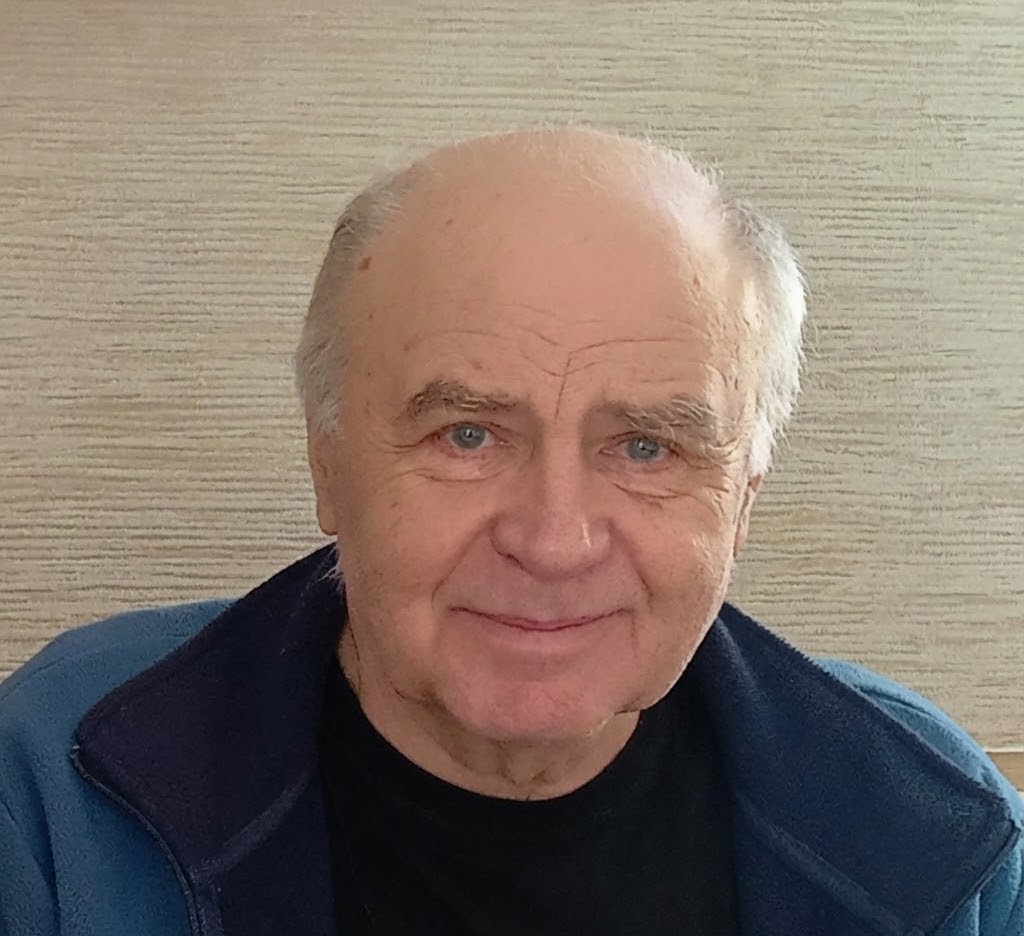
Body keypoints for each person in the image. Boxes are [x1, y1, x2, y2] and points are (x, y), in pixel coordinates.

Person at [0, 126, 1020, 936]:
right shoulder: (54, 785)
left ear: (742, 498)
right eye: (468, 434)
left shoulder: (925, 822)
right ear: (329, 465)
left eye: (647, 448)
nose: (554, 540)